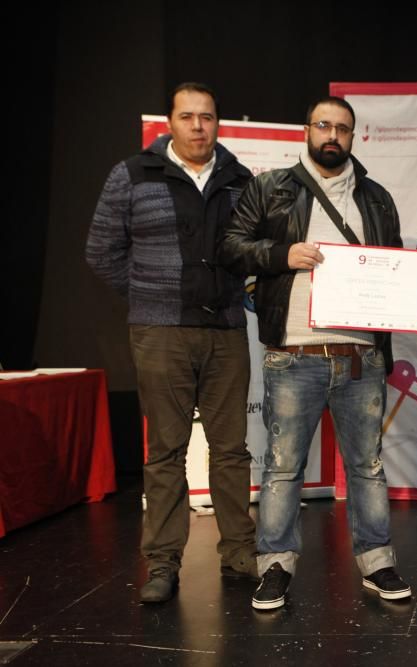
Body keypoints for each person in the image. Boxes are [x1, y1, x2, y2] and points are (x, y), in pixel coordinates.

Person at [220, 95, 410, 610]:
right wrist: (282, 255)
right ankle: (276, 566)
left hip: (359, 356)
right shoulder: (270, 187)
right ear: (307, 129)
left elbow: (390, 268)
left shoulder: (375, 198)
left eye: (342, 129)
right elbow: (231, 248)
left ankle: (377, 562)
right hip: (294, 354)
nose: (332, 135)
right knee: (283, 467)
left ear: (353, 136)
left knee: (367, 465)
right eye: (324, 125)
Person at [85, 82, 257, 603]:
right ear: (170, 122)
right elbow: (101, 251)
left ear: (218, 123)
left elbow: (250, 251)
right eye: (188, 117)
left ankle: (239, 555)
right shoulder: (133, 173)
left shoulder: (239, 179)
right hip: (160, 333)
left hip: (226, 329)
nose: (198, 127)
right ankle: (162, 564)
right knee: (165, 451)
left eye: (207, 117)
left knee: (231, 452)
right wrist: (149, 296)